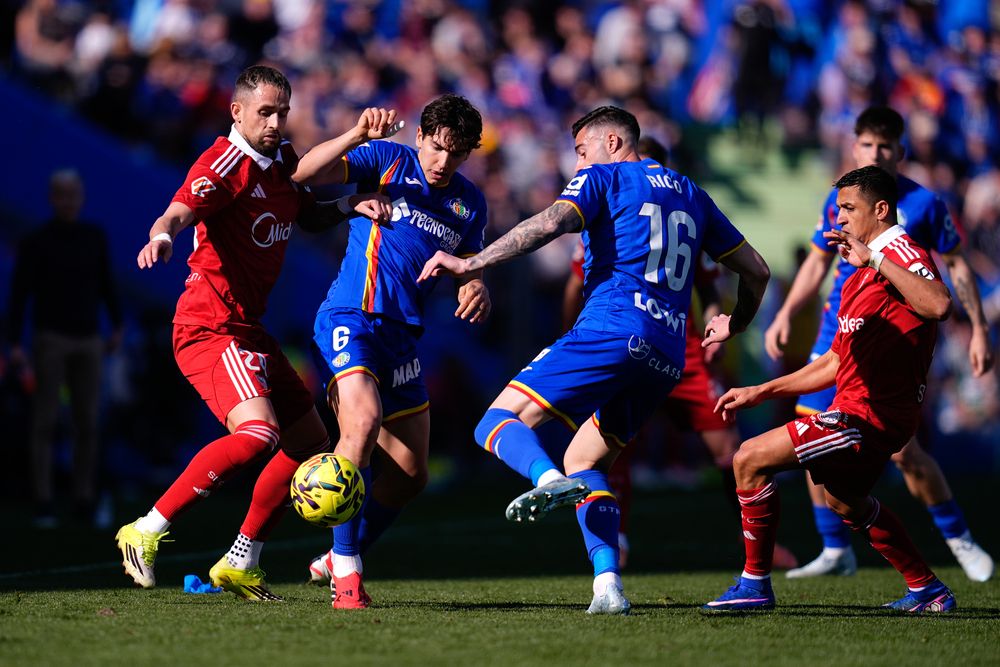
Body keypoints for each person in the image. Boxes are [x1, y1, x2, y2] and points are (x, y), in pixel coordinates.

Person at [419, 106, 770, 614]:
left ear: (612, 143)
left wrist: (473, 261)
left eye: (582, 152)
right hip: (667, 353)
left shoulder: (605, 178)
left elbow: (551, 222)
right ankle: (608, 586)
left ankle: (547, 481)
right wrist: (736, 323)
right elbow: (757, 270)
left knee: (494, 423)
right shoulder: (693, 193)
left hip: (612, 328)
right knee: (586, 462)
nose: (578, 163)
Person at [114, 65, 387, 601]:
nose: (276, 123)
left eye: (282, 112)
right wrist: (163, 236)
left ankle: (242, 559)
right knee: (259, 434)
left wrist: (349, 204)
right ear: (237, 111)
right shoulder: (224, 164)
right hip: (209, 327)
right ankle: (145, 529)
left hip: (248, 329)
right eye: (265, 112)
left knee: (312, 443)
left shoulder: (281, 159)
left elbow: (306, 214)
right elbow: (178, 211)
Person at [705, 165, 956, 613]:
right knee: (844, 501)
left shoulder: (897, 251)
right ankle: (928, 590)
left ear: (881, 210)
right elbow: (834, 363)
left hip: (869, 414)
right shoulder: (857, 274)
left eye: (848, 208)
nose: (838, 218)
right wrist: (761, 391)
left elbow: (938, 303)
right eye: (838, 208)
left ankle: (755, 584)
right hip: (861, 409)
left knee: (748, 458)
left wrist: (875, 259)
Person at [765, 106, 994, 582]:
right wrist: (786, 313)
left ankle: (959, 538)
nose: (875, 153)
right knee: (809, 438)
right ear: (855, 148)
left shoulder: (924, 205)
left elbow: (954, 267)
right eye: (867, 145)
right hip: (837, 332)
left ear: (900, 151)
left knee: (903, 451)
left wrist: (978, 327)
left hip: (887, 340)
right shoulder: (842, 201)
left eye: (884, 146)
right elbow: (817, 262)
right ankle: (835, 548)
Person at [291, 95, 491, 609]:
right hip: (351, 317)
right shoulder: (388, 159)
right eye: (437, 147)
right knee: (360, 424)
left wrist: (475, 284)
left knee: (409, 474)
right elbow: (303, 175)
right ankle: (348, 577)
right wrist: (357, 134)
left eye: (457, 153)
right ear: (420, 135)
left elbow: (469, 265)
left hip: (402, 339)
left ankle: (340, 553)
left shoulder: (470, 203)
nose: (443, 161)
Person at [561, 136, 797, 571]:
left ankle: (755, 540)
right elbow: (575, 283)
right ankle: (617, 539)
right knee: (609, 447)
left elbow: (710, 286)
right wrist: (575, 333)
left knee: (727, 447)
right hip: (628, 340)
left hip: (682, 349)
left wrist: (714, 327)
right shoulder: (613, 215)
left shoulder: (682, 214)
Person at [8, 169, 123, 528]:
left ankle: (83, 497)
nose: (68, 201)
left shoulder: (94, 237)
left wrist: (117, 324)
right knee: (45, 420)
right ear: (52, 198)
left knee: (87, 421)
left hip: (89, 338)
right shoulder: (36, 241)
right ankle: (43, 500)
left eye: (73, 194)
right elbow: (19, 294)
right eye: (61, 194)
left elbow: (106, 282)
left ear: (81, 197)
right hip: (51, 339)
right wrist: (15, 342)